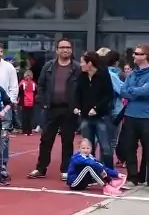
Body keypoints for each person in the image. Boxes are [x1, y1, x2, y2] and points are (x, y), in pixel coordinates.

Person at [28, 39, 79, 180]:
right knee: (46, 139)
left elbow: (81, 88)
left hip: (69, 110)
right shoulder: (49, 66)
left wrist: (77, 106)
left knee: (67, 141)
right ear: (57, 50)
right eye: (62, 47)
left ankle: (66, 170)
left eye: (68, 47)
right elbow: (41, 85)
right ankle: (41, 168)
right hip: (51, 108)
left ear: (71, 50)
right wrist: (43, 103)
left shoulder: (77, 68)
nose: (65, 50)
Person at [116, 45, 149, 194]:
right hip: (130, 115)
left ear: (145, 56)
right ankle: (132, 178)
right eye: (135, 53)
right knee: (130, 148)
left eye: (138, 53)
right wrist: (136, 91)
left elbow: (147, 90)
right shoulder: (132, 74)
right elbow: (122, 91)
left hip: (148, 116)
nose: (134, 56)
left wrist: (132, 91)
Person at [74, 51, 114, 166]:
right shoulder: (82, 76)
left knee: (105, 147)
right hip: (86, 116)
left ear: (90, 63)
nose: (81, 65)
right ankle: (90, 170)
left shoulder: (103, 75)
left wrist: (97, 108)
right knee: (87, 147)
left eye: (82, 62)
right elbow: (77, 93)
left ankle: (108, 171)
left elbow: (109, 95)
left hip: (102, 116)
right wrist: (77, 106)